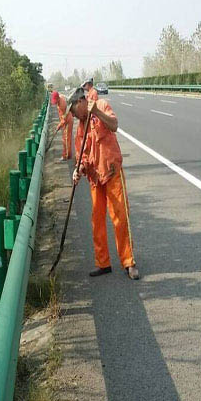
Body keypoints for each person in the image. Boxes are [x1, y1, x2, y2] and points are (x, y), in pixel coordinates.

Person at [67, 87, 139, 280]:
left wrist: (97, 112)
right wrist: (78, 170)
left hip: (111, 171)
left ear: (80, 102)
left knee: (120, 217)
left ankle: (128, 261)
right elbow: (82, 156)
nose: (73, 116)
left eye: (73, 111)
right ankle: (103, 263)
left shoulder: (101, 105)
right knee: (97, 220)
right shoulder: (80, 128)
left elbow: (114, 125)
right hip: (95, 177)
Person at [51, 91, 73, 161]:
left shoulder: (62, 105)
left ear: (58, 98)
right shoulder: (60, 99)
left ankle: (66, 156)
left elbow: (64, 119)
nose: (55, 103)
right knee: (65, 138)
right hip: (65, 121)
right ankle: (67, 154)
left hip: (67, 121)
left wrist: (58, 127)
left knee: (66, 139)